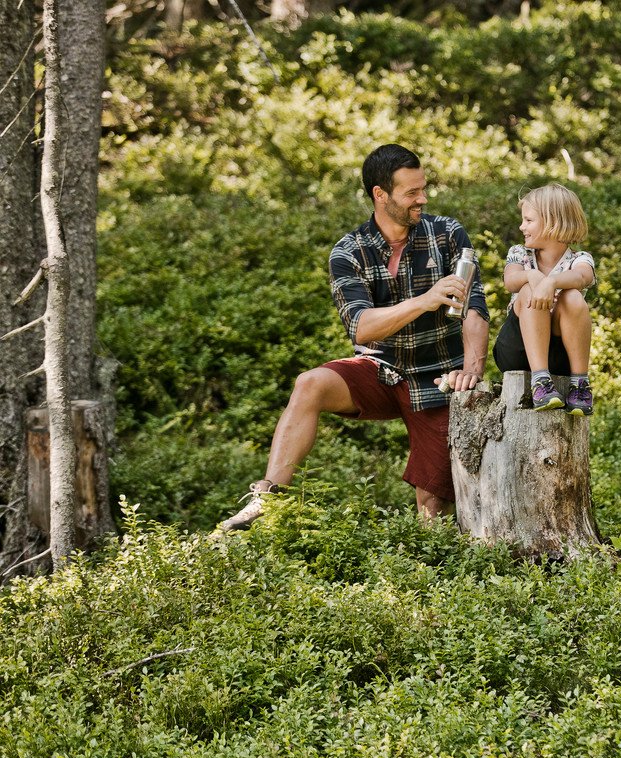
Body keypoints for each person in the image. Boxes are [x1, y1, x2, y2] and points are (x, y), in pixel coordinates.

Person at [219, 144, 489, 531]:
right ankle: (267, 499)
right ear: (380, 195)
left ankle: (434, 570)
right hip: (379, 369)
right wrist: (424, 301)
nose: (423, 199)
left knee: (432, 502)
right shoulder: (349, 251)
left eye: (423, 188)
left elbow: (475, 308)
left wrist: (471, 370)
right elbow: (361, 327)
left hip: (439, 377)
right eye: (411, 193)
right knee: (310, 383)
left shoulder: (447, 233)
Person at [492, 183, 597, 415]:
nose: (522, 226)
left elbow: (582, 277)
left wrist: (552, 282)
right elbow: (510, 281)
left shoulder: (579, 259)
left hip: (559, 354)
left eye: (529, 221)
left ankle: (579, 384)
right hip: (517, 349)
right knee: (528, 289)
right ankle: (540, 381)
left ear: (553, 221)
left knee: (573, 297)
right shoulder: (520, 254)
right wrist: (533, 275)